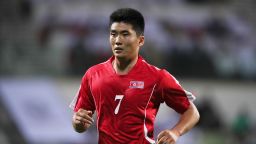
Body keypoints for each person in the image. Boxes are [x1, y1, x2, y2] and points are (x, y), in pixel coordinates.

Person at [70, 8, 200, 144]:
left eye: (125, 34)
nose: (118, 40)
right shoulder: (93, 74)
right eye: (113, 34)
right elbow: (79, 125)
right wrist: (77, 122)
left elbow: (192, 113)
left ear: (140, 40)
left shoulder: (157, 77)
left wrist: (175, 132)